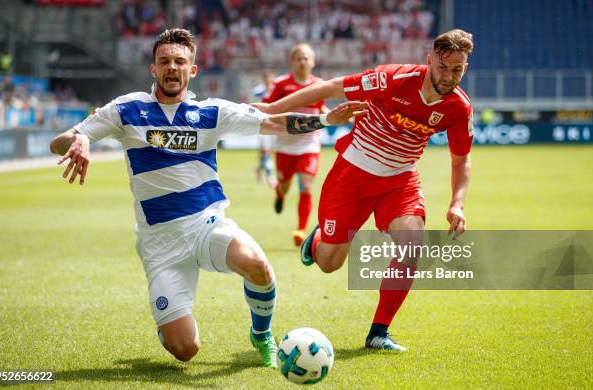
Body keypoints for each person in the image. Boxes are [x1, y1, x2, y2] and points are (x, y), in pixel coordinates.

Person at [49, 28, 368, 366]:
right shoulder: (126, 109)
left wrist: (324, 119)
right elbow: (59, 142)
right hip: (161, 245)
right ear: (153, 69)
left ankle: (261, 334)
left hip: (207, 225)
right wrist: (79, 138)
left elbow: (274, 123)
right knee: (186, 350)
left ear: (193, 69)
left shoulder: (212, 113)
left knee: (259, 267)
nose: (172, 67)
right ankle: (169, 329)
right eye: (165, 61)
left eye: (180, 62)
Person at [254, 29, 474, 352]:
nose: (448, 76)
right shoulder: (392, 79)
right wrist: (271, 109)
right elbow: (329, 88)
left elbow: (461, 161)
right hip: (353, 175)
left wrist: (458, 203)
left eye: (457, 69)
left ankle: (378, 333)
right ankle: (316, 242)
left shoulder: (459, 108)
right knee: (330, 263)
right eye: (443, 67)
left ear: (465, 68)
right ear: (429, 61)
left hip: (400, 180)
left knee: (412, 246)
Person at [262, 43, 328, 246]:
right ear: (292, 61)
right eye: (298, 58)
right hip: (285, 146)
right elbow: (267, 107)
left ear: (313, 61)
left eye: (306, 58)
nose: (302, 62)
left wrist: (335, 116)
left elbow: (319, 107)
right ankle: (280, 193)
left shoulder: (320, 85)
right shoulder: (282, 85)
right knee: (285, 184)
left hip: (309, 145)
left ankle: (300, 230)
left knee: (306, 185)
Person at [252, 69, 277, 188]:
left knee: (267, 151)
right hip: (262, 123)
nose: (268, 80)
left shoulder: (276, 90)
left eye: (270, 78)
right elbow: (254, 105)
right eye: (266, 78)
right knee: (266, 151)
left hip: (274, 123)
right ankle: (271, 176)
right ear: (263, 79)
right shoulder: (258, 91)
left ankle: (259, 169)